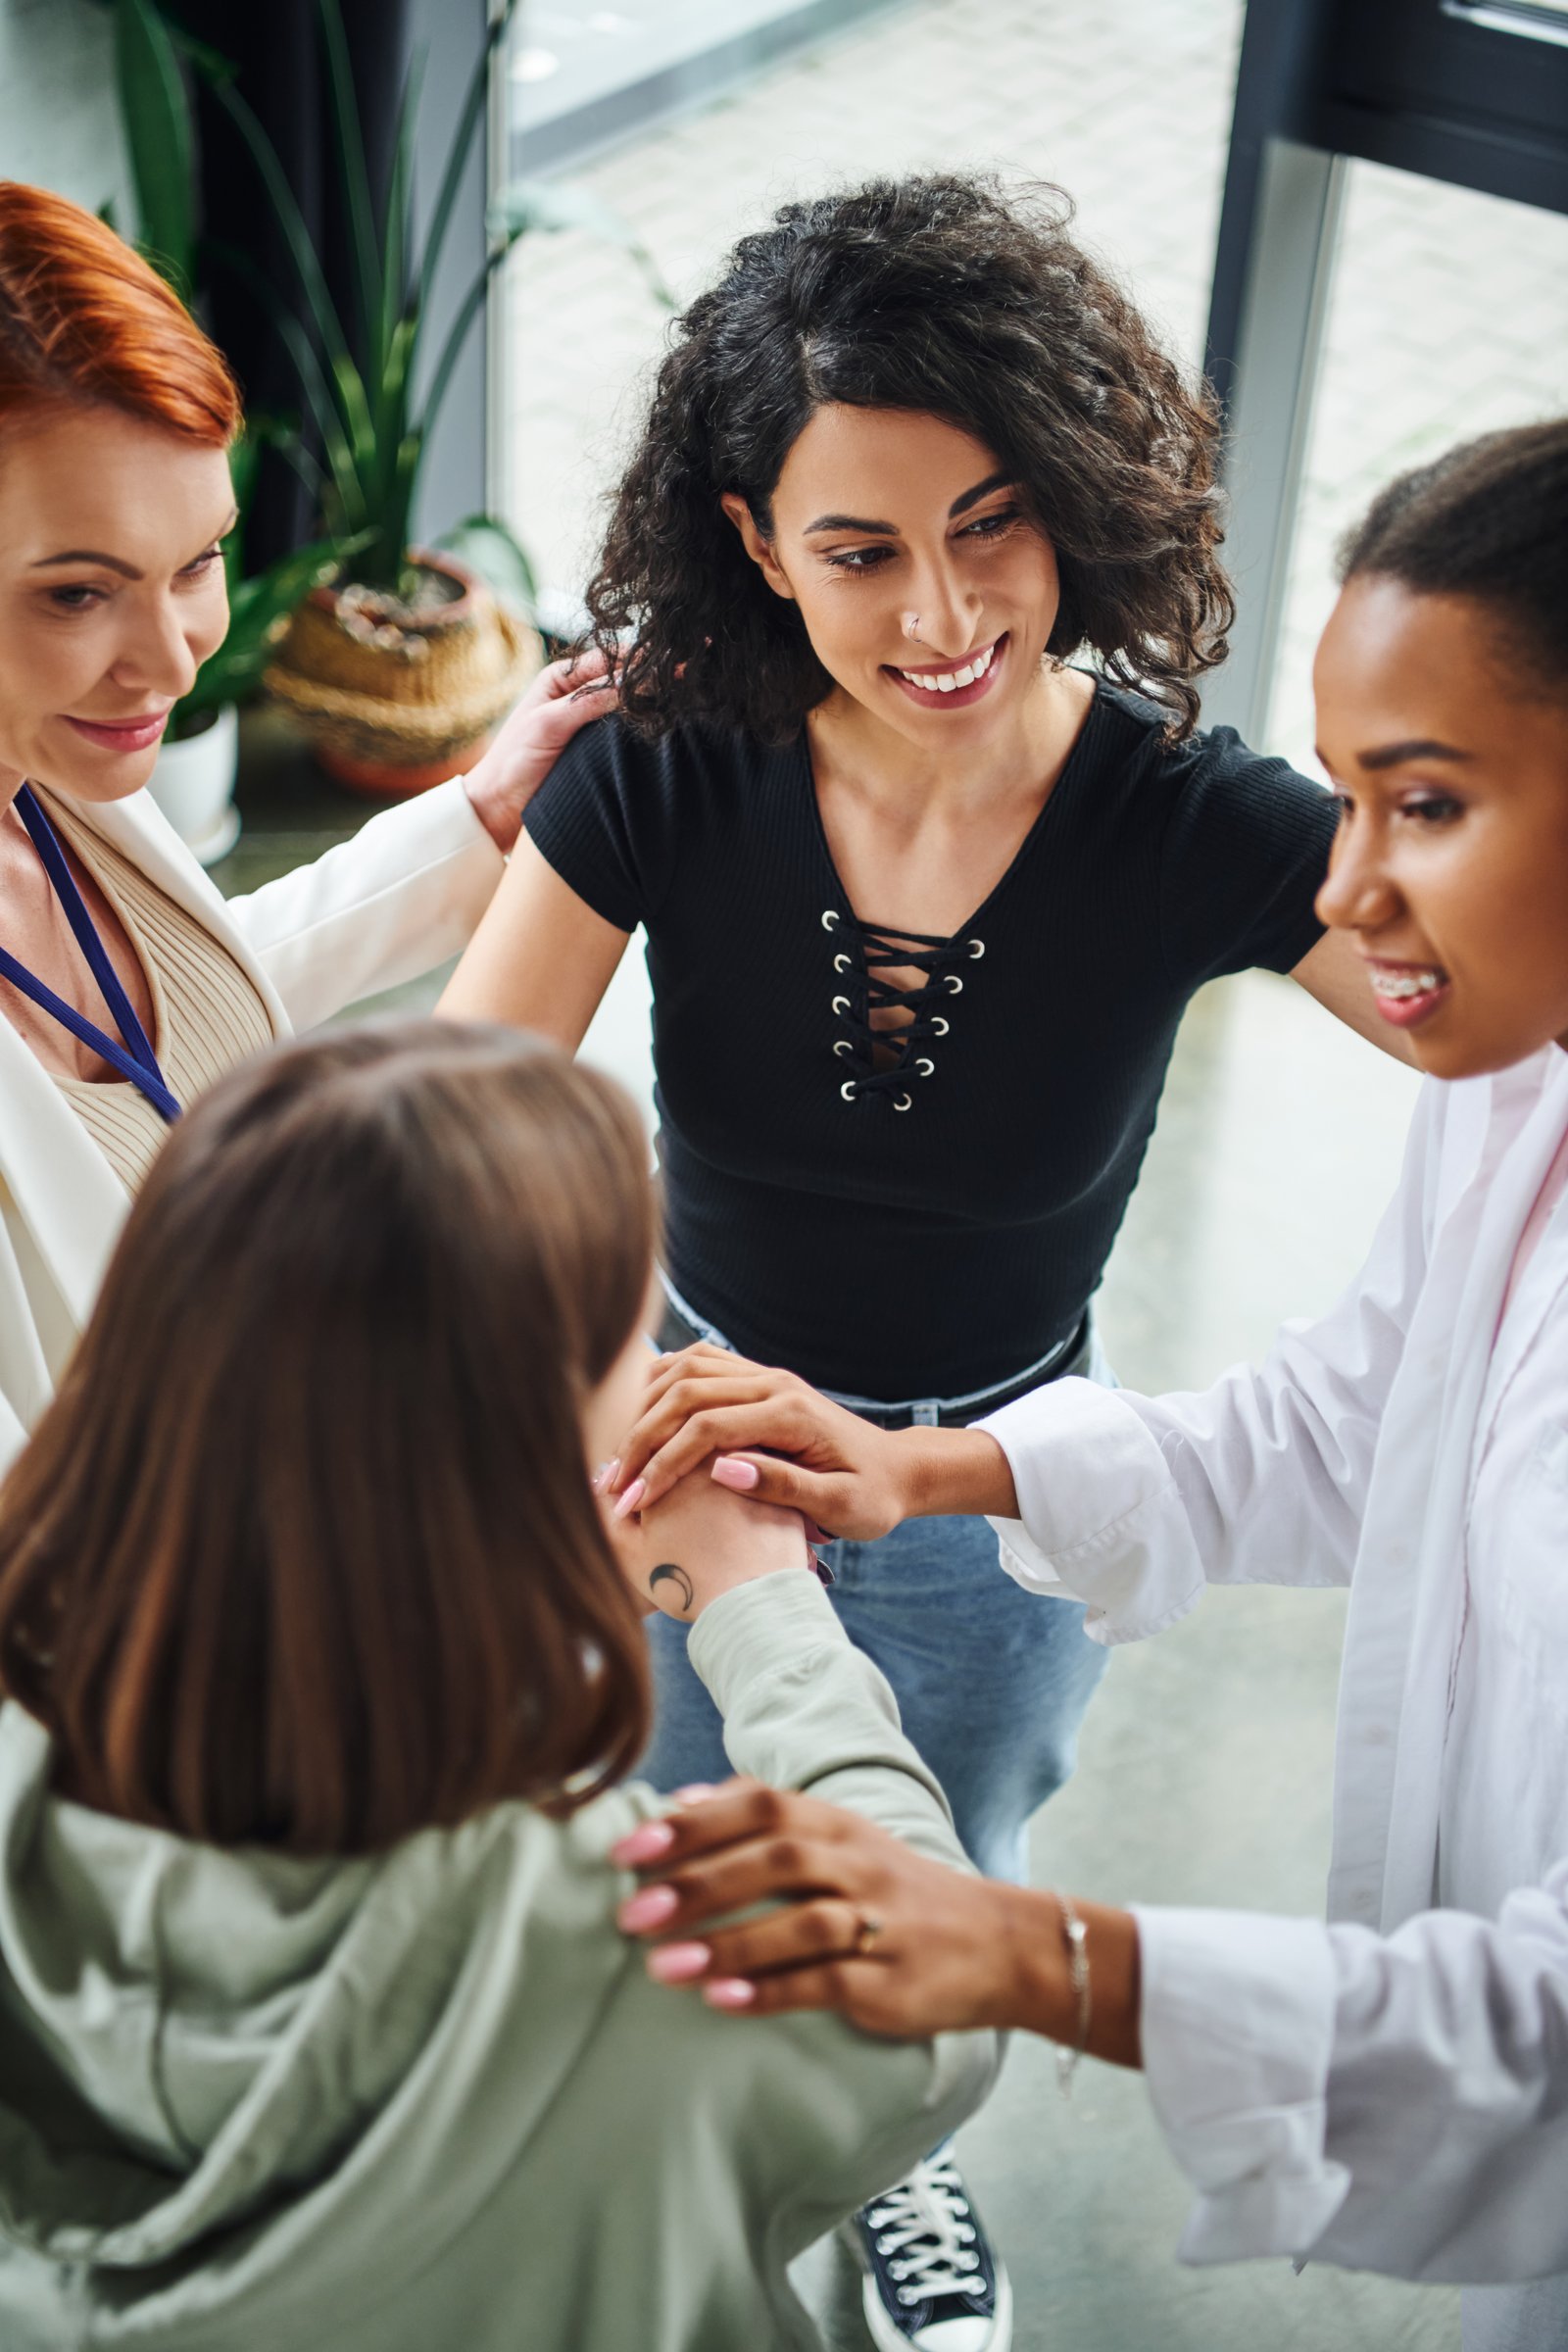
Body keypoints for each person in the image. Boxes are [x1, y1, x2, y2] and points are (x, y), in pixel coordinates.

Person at [440, 170, 1410, 2343]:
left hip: (1008, 1496)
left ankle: (902, 2172)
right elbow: (456, 1144)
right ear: (754, 540)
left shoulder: (1192, 819)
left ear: (1072, 498)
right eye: (857, 548)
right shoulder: (669, 765)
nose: (940, 609)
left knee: (928, 1869)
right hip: (683, 1450)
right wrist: (626, 1418)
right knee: (680, 1855)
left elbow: (1493, 996)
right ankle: (667, 2176)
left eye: (990, 523)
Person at [611, 419, 1568, 2351]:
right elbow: (1344, 1427)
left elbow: (1531, 2032)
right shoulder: (1513, 1102)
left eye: (1424, 807)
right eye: (1347, 804)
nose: (1351, 890)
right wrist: (923, 1472)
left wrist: (1025, 1949)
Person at [0, 1019, 996, 2352]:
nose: (658, 1386)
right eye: (625, 1351)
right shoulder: (628, 1931)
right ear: (503, 1464)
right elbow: (947, 2007)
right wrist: (771, 1619)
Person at [0, 180, 611, 1472]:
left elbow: (149, 1019)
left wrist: (479, 815)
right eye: (76, 596)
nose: (169, 663)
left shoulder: (49, 777)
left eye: (198, 563)